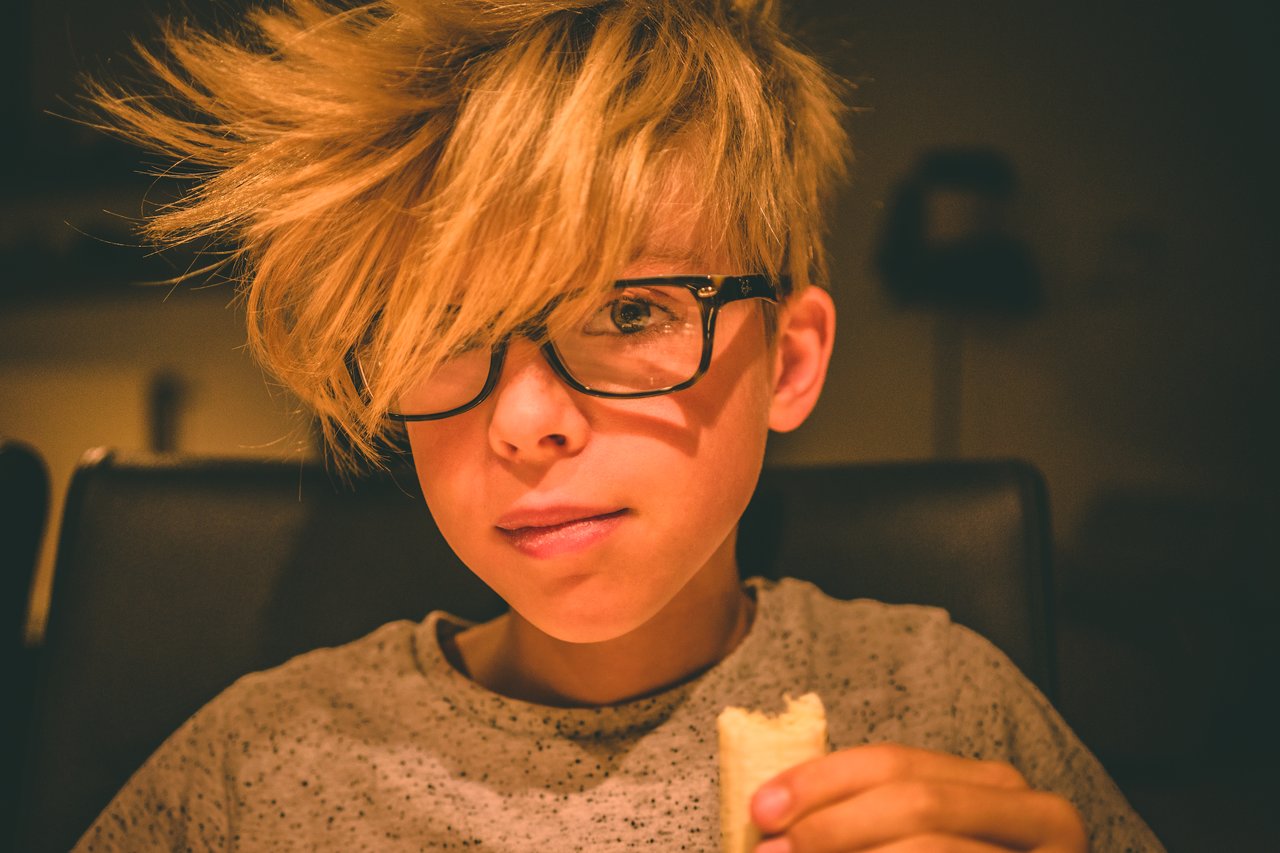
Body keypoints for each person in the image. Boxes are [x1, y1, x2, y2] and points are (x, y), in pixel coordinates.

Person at [76, 1, 1161, 850]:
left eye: (629, 311)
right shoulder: (255, 772)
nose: (526, 421)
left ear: (788, 359)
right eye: (446, 330)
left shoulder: (943, 704)